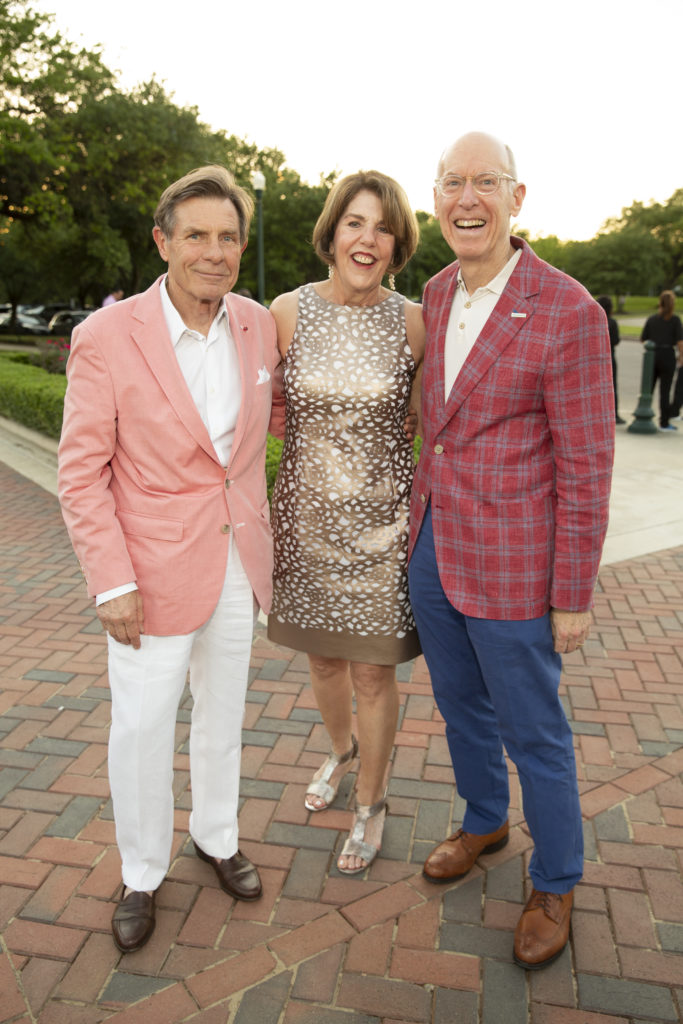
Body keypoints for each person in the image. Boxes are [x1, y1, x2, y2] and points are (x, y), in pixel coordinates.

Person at [58, 165, 285, 954]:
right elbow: (80, 473)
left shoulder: (258, 324)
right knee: (144, 727)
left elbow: (266, 429)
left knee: (223, 714)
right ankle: (143, 870)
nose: (214, 252)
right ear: (163, 241)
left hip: (234, 560)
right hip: (145, 574)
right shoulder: (104, 337)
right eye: (196, 235)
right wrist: (111, 583)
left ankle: (216, 838)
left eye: (228, 237)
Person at [407, 133, 614, 970]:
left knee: (536, 732)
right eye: (451, 182)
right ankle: (485, 819)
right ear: (436, 200)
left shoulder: (568, 309)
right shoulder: (430, 291)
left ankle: (556, 877)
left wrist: (572, 593)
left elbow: (586, 464)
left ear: (516, 197)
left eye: (483, 182)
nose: (466, 198)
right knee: (460, 711)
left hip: (515, 567)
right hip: (434, 553)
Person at [267, 171, 425, 874]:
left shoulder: (414, 320)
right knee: (323, 659)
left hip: (384, 532)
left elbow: (429, 419)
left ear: (397, 245)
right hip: (302, 523)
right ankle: (341, 752)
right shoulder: (285, 312)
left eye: (383, 227)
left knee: (371, 676)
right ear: (331, 234)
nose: (368, 238)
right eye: (355, 223)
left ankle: (371, 802)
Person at [641, 290, 683, 431]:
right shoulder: (675, 320)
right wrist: (681, 356)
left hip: (653, 355)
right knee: (665, 391)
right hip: (667, 355)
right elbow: (680, 341)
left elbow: (643, 338)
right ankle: (664, 422)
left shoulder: (652, 319)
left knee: (648, 389)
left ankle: (644, 412)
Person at [597, 295, 625, 423]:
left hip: (594, 358)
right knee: (612, 387)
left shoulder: (594, 320)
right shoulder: (612, 322)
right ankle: (614, 414)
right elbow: (616, 340)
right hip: (609, 357)